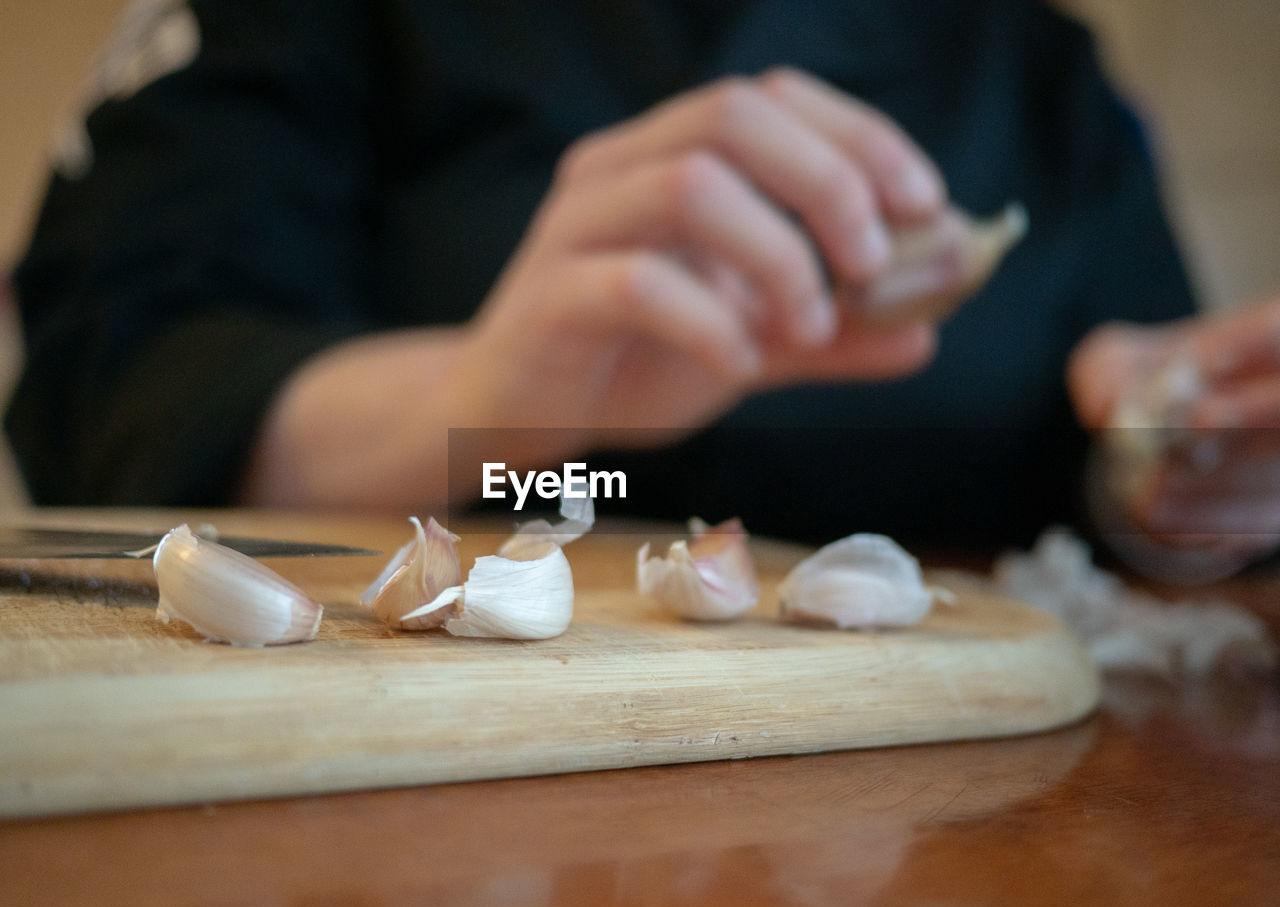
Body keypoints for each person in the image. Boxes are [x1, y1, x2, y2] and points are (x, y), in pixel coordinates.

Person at [6, 0, 1278, 571]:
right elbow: (115, 383)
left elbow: (1127, 447)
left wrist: (1171, 470)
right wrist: (489, 401)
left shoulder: (1035, 62)